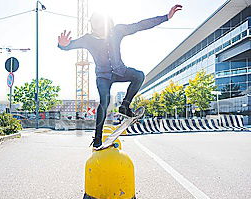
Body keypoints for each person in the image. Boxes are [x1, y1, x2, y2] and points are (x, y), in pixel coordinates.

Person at [58, 5, 182, 148]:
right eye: (96, 26)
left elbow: (140, 25)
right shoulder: (88, 39)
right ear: (93, 26)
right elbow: (70, 45)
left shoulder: (117, 31)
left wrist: (165, 17)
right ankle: (97, 138)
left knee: (139, 76)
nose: (100, 30)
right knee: (104, 101)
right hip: (103, 77)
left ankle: (125, 106)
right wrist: (63, 45)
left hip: (120, 72)